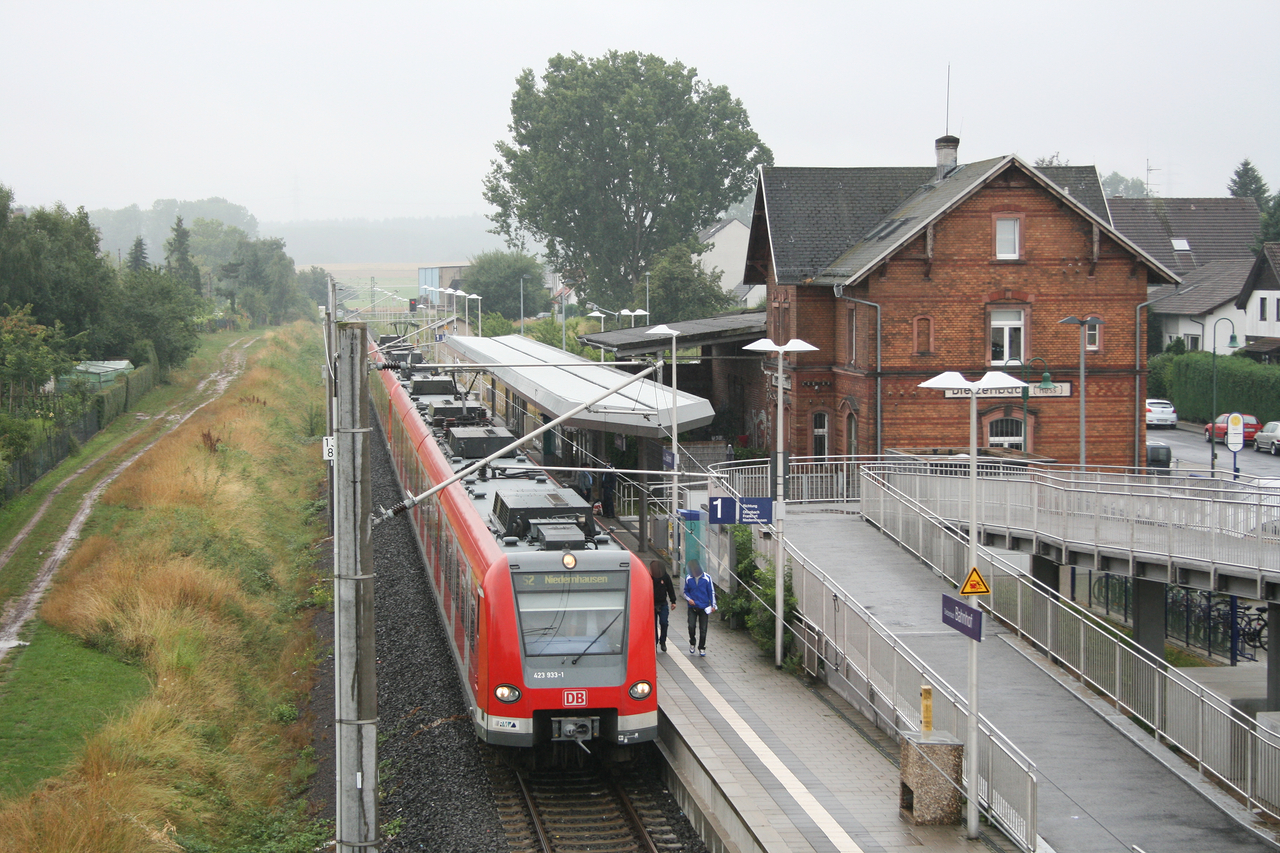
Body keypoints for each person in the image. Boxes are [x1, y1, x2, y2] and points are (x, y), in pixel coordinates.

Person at [684, 560, 716, 657]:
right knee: (691, 626)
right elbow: (685, 592)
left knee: (703, 629)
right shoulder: (688, 578)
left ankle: (702, 647)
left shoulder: (707, 578)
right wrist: (689, 599)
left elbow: (711, 592)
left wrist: (713, 605)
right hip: (692, 606)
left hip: (704, 607)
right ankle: (692, 642)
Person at [650, 560, 677, 652]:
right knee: (653, 625)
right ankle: (654, 642)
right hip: (651, 604)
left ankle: (663, 641)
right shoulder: (649, 577)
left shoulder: (665, 577)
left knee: (664, 623)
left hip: (662, 603)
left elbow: (670, 588)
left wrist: (673, 601)